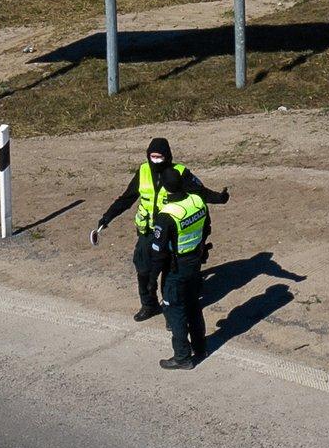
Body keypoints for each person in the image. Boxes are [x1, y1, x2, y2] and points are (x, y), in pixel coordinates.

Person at [90, 138, 227, 322]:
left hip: (170, 232)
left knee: (169, 273)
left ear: (167, 156)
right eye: (152, 157)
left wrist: (220, 198)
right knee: (144, 270)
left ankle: (171, 314)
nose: (155, 161)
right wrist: (108, 217)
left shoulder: (179, 173)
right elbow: (127, 198)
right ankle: (149, 305)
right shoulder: (143, 171)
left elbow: (200, 192)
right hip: (147, 232)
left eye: (159, 157)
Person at [149, 180, 213, 370]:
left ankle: (182, 357)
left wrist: (152, 279)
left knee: (175, 310)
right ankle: (200, 347)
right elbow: (207, 228)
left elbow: (159, 252)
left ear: (166, 191)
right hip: (195, 263)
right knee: (193, 305)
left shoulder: (167, 215)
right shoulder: (197, 201)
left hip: (176, 269)